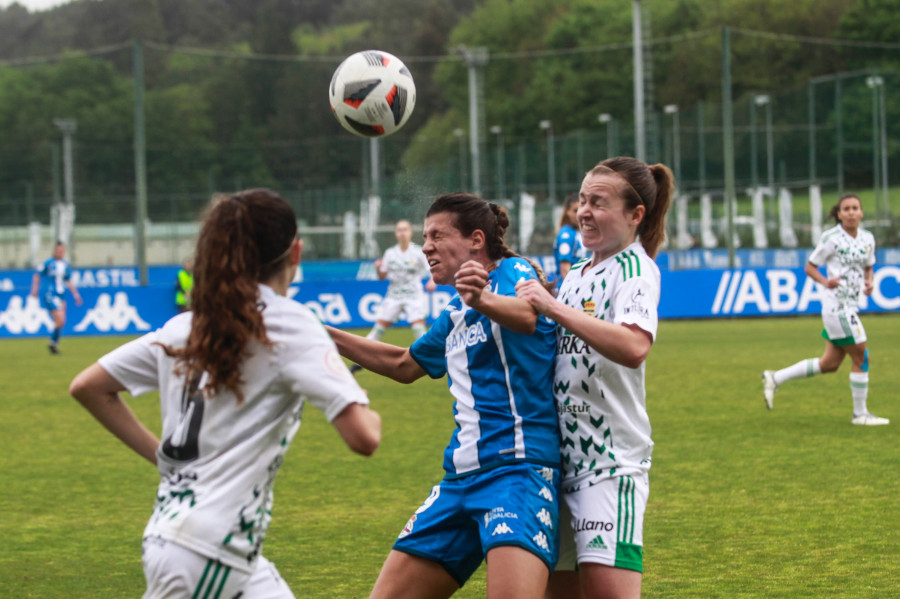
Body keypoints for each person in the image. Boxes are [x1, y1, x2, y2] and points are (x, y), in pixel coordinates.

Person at [68, 188, 382, 598]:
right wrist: (356, 397)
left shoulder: (185, 327)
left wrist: (166, 460)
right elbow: (364, 437)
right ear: (296, 253)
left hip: (200, 543)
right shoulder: (290, 323)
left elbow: (88, 386)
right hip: (210, 549)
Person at [327, 192, 561, 599]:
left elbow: (528, 316)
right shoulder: (456, 311)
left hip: (517, 474)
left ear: (475, 240)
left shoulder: (511, 270)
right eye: (423, 237)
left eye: (437, 235)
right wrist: (320, 335)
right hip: (459, 482)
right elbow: (404, 365)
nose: (426, 246)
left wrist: (481, 298)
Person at [517, 156, 674, 599]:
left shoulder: (637, 270)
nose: (584, 210)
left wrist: (552, 307)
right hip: (558, 463)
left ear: (635, 214)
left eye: (598, 202)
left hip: (609, 466)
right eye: (583, 200)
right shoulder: (579, 274)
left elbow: (633, 346)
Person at [762, 193, 887, 426]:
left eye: (855, 208)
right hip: (836, 308)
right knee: (862, 355)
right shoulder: (831, 238)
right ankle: (860, 415)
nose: (851, 212)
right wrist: (824, 281)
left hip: (850, 305)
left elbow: (869, 266)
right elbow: (810, 267)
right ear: (839, 214)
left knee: (829, 364)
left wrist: (869, 281)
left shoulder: (868, 239)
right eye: (846, 209)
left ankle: (775, 377)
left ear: (861, 213)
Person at [350, 219, 436, 374]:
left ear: (410, 232)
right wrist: (378, 269)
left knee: (418, 329)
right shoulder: (390, 253)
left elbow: (432, 270)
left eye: (405, 230)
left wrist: (432, 281)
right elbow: (382, 276)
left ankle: (429, 359)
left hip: (413, 296)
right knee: (378, 329)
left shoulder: (418, 252)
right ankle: (359, 361)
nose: (402, 233)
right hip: (393, 297)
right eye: (399, 230)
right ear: (396, 233)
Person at [30, 240, 82, 354]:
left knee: (61, 322)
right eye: (58, 250)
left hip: (61, 295)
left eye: (62, 250)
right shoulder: (48, 263)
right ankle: (53, 343)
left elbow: (68, 280)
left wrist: (76, 295)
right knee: (60, 319)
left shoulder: (65, 264)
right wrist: (34, 290)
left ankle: (53, 344)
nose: (60, 252)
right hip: (50, 294)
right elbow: (37, 275)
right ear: (54, 251)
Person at [553, 192, 587, 283]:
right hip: (567, 289)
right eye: (575, 211)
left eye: (581, 209)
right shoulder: (566, 235)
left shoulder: (577, 232)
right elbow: (565, 269)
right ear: (567, 212)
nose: (579, 214)